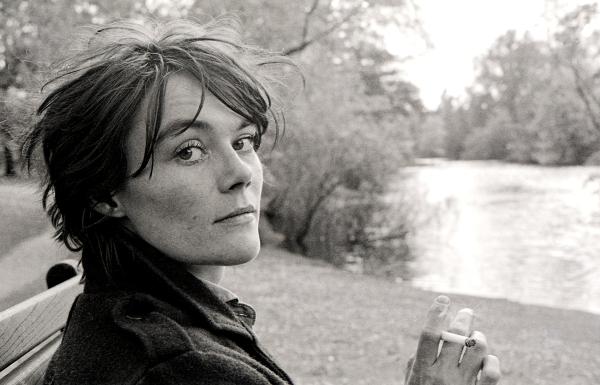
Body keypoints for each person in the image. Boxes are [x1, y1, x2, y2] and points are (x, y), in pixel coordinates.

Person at [22, 17, 500, 385]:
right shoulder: (184, 368)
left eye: (244, 141)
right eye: (189, 151)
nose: (240, 175)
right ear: (105, 194)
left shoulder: (139, 318)